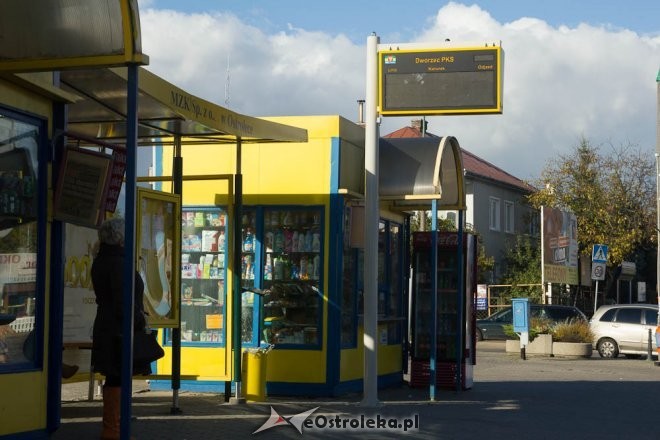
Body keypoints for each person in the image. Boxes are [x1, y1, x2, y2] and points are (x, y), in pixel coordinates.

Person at [91, 217, 148, 440]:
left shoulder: (103, 259)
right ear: (121, 237)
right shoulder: (118, 262)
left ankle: (114, 428)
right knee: (118, 376)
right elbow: (121, 300)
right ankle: (113, 431)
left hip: (108, 325)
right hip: (118, 329)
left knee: (115, 376)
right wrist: (138, 319)